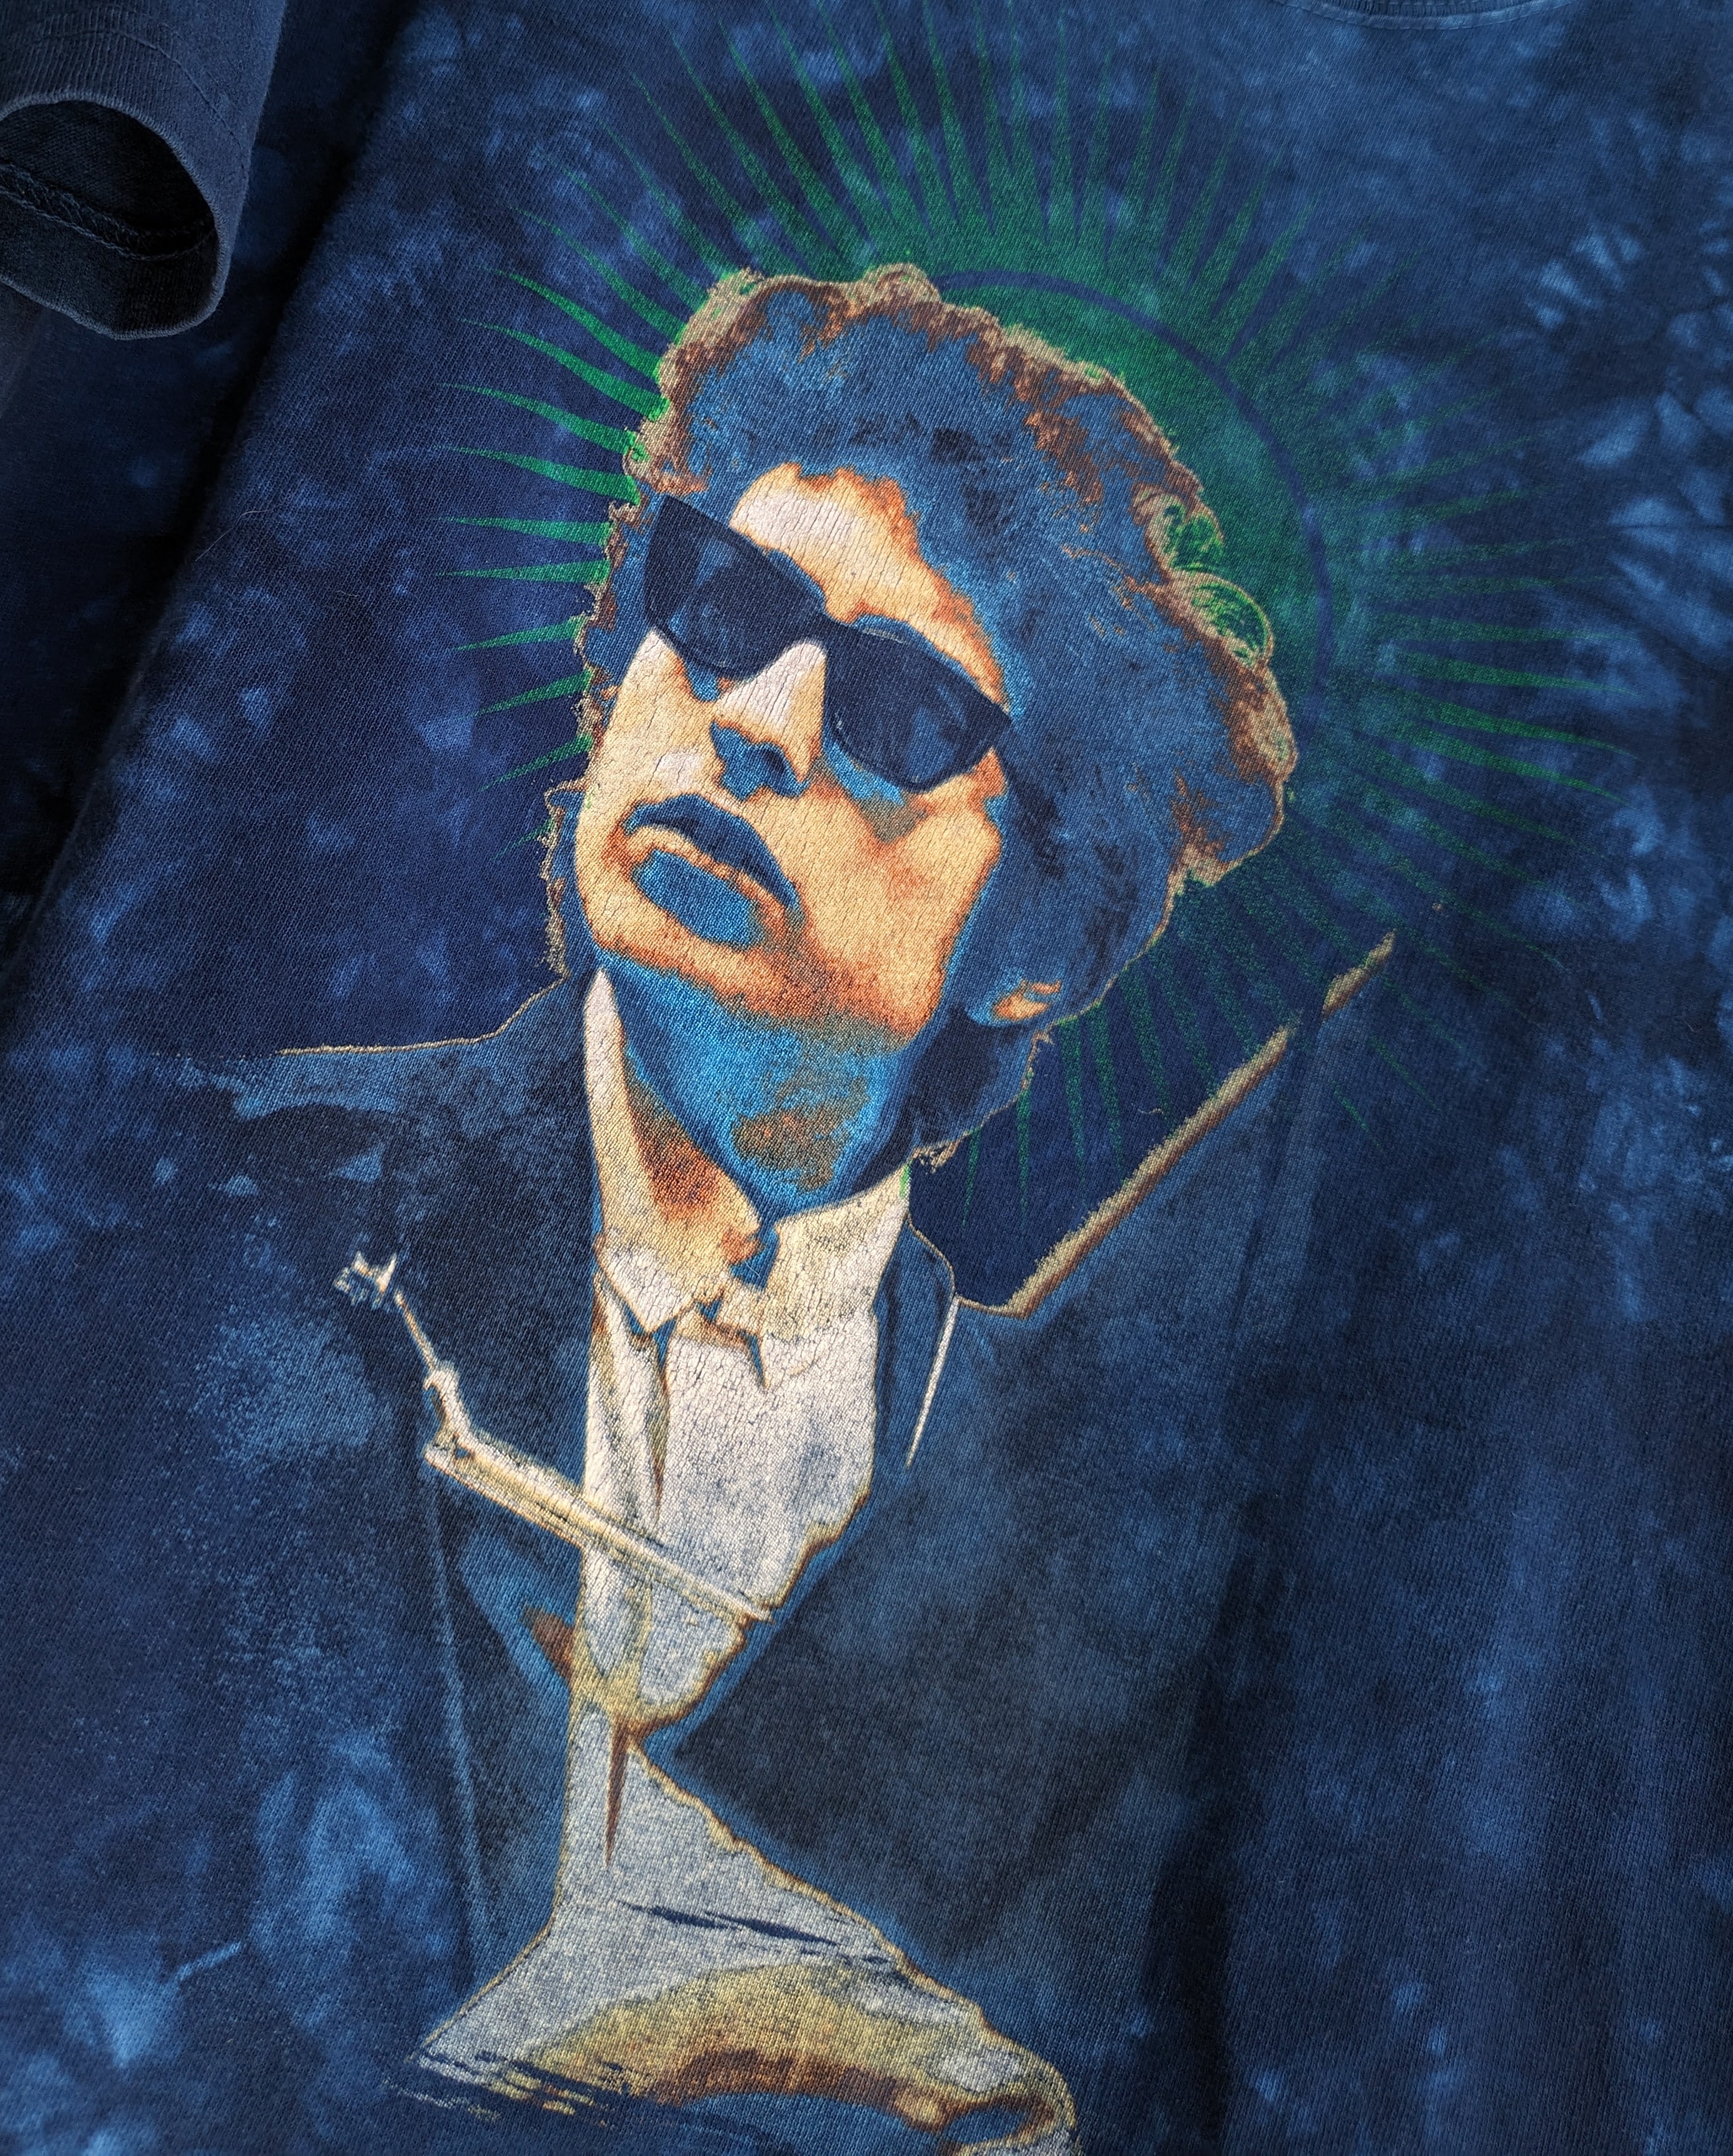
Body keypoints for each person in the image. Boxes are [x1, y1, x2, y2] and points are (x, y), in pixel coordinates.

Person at [289, 264, 1297, 2144]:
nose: (755, 715)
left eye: (904, 710)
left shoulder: (1078, 1535)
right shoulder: (216, 1204)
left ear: (1039, 946)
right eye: (726, 607)